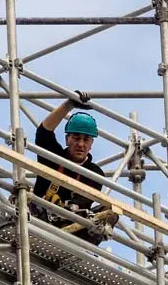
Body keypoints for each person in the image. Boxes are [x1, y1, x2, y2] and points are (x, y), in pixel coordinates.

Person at [31, 91, 112, 244]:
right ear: (67, 139)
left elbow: (82, 203)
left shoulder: (94, 174)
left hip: (71, 230)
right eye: (76, 138)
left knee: (108, 213)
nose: (80, 144)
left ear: (91, 144)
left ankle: (84, 245)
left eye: (86, 139)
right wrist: (68, 105)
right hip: (39, 219)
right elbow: (43, 132)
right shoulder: (53, 157)